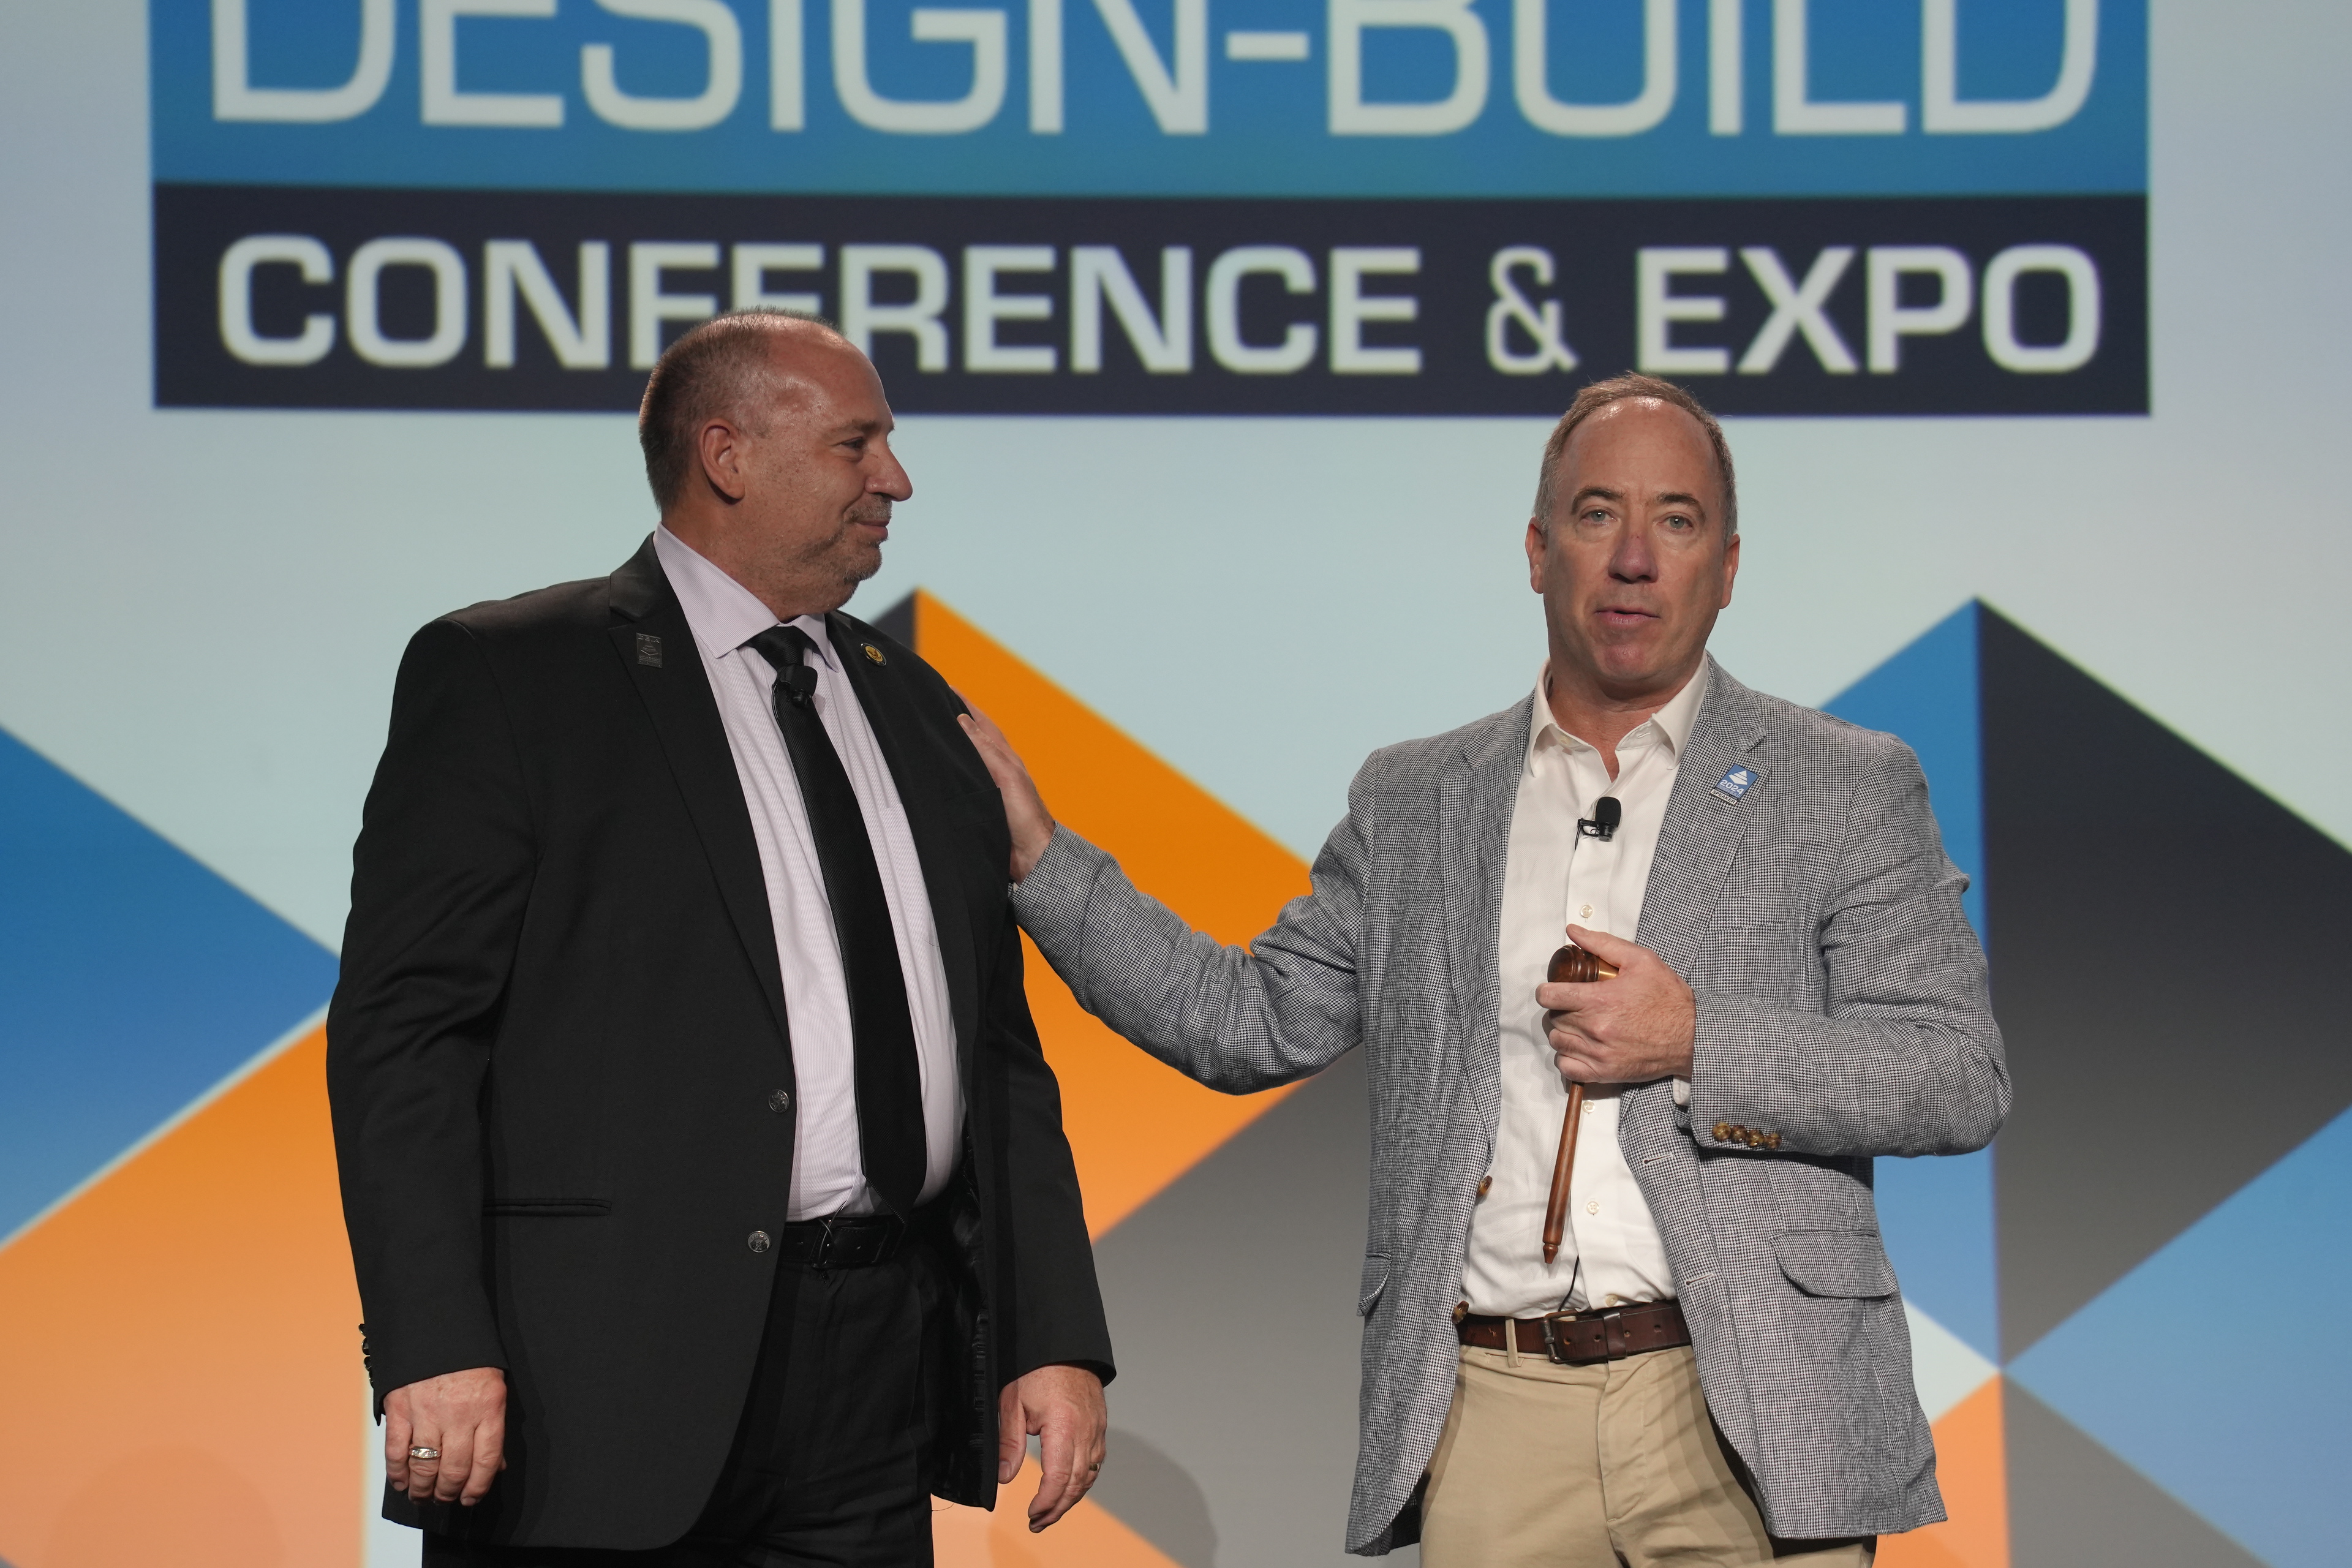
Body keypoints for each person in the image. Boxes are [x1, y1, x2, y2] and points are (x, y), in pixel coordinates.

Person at [959, 374, 2008, 1566]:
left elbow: (1952, 1072)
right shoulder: (1417, 798)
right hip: (1496, 1400)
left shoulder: (1846, 782)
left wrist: (1698, 1038)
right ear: (1536, 547)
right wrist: (1042, 859)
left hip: (1754, 1403)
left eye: (1676, 520)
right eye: (1598, 513)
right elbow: (1243, 1017)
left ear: (1726, 564)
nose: (1633, 558)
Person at [327, 310, 1112, 1566]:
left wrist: (1049, 1330)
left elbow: (995, 1052)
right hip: (596, 1383)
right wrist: (429, 1338)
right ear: (728, 454)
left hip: (873, 1373)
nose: (894, 479)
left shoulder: (916, 704)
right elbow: (404, 1039)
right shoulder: (514, 677)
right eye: (859, 444)